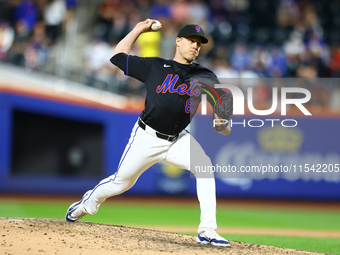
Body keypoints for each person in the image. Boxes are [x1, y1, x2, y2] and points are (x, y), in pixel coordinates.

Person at [66, 19, 231, 247]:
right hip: (147, 136)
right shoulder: (155, 66)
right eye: (191, 40)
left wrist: (223, 121)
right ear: (178, 41)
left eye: (199, 43)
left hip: (178, 139)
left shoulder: (205, 75)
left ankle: (208, 229)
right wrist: (138, 29)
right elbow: (117, 57)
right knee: (121, 182)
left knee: (205, 167)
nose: (195, 45)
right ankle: (86, 204)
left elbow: (222, 106)